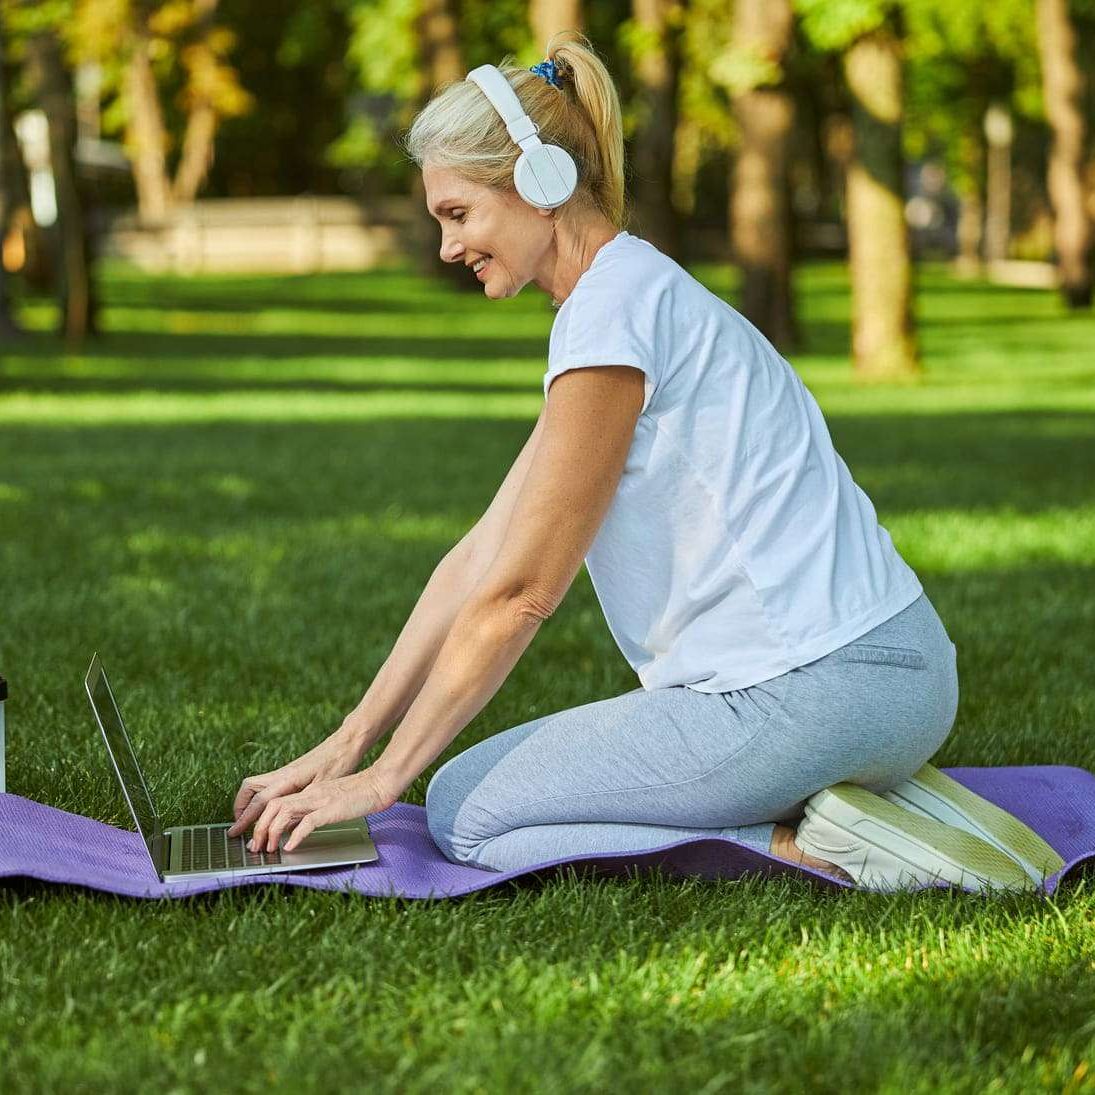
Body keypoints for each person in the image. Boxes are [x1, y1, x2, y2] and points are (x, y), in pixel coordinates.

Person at [226, 32, 1030, 892]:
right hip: (886, 675)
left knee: (465, 810)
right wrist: (346, 744)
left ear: (541, 185)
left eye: (458, 214)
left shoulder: (612, 321)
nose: (446, 247)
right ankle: (875, 801)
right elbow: (477, 559)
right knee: (481, 790)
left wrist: (387, 782)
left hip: (812, 693)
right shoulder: (626, 301)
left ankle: (814, 844)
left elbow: (520, 593)